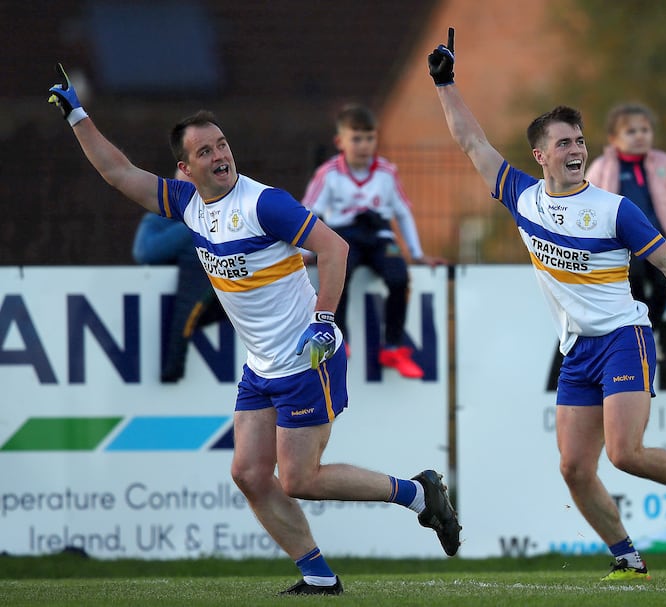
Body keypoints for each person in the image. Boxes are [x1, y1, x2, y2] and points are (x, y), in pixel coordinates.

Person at [48, 64, 460, 595]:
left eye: (222, 145)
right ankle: (318, 576)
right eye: (205, 152)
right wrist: (79, 117)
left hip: (308, 359)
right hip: (262, 367)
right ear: (185, 168)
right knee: (247, 473)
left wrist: (324, 322)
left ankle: (418, 494)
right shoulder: (192, 206)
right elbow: (119, 173)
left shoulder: (264, 203)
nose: (220, 155)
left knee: (299, 480)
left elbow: (335, 249)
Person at [427, 29, 666, 579]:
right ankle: (627, 559)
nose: (576, 150)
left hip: (626, 337)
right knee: (575, 468)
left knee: (625, 453)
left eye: (579, 141)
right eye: (564, 143)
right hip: (578, 349)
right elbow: (472, 143)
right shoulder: (521, 196)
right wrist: (444, 83)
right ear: (540, 156)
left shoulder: (613, 209)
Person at [302, 104, 446, 379]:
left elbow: (403, 213)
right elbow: (308, 212)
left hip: (379, 235)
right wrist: (304, 250)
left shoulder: (387, 173)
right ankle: (339, 339)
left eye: (369, 138)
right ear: (340, 141)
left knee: (398, 277)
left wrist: (416, 253)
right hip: (344, 235)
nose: (364, 145)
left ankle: (392, 346)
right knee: (337, 273)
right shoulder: (328, 173)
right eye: (356, 138)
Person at [586, 103, 666, 353]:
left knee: (665, 284)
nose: (640, 136)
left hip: (662, 244)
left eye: (645, 130)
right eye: (631, 131)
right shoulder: (601, 168)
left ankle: (653, 333)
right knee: (634, 281)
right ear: (613, 139)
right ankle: (643, 336)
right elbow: (586, 210)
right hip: (621, 250)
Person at [132, 169, 228, 383]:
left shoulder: (230, 216)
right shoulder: (160, 218)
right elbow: (144, 252)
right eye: (183, 188)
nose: (189, 196)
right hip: (170, 313)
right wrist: (193, 225)